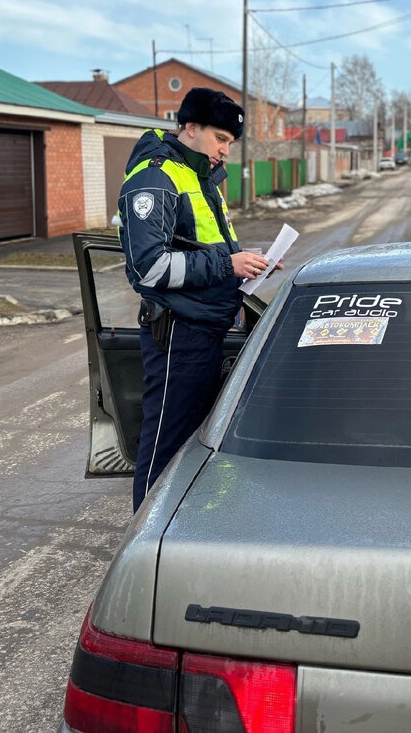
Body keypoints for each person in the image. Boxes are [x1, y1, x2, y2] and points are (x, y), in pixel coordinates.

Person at [117, 87, 270, 512]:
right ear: (189, 127)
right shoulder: (156, 177)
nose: (225, 151)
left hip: (207, 332)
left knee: (196, 448)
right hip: (177, 336)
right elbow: (148, 267)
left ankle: (185, 533)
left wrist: (250, 262)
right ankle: (145, 545)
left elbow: (207, 247)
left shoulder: (203, 178)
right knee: (165, 450)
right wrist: (228, 265)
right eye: (220, 139)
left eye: (230, 144)